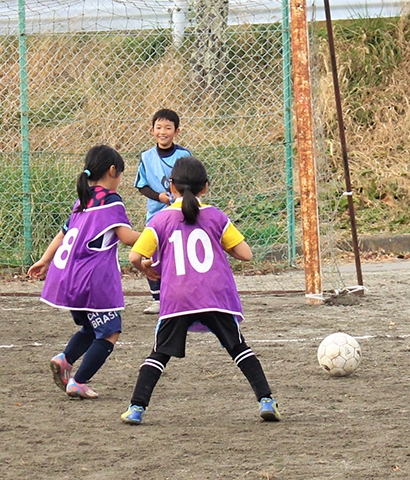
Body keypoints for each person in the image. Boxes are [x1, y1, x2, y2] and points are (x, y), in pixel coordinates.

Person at [121, 156, 281, 424]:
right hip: (215, 295)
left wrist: (147, 268)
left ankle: (137, 408)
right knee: (239, 348)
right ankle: (266, 400)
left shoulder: (160, 221)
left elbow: (134, 257)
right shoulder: (217, 217)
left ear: (171, 187)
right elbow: (246, 254)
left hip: (177, 296)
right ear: (205, 187)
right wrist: (222, 244)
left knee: (159, 353)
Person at [28, 145, 140, 399]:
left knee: (91, 328)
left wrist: (45, 260)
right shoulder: (110, 201)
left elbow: (64, 233)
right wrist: (156, 235)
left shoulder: (82, 198)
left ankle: (65, 359)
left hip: (67, 277)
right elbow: (126, 237)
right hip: (91, 282)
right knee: (110, 331)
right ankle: (79, 381)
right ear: (113, 171)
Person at [134, 108, 192, 314]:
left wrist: (180, 198)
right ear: (152, 131)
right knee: (153, 252)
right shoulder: (146, 157)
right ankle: (157, 298)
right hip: (156, 215)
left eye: (168, 128)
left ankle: (182, 296)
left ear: (176, 131)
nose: (163, 132)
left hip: (181, 213)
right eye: (159, 127)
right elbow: (141, 185)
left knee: (180, 253)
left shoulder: (184, 155)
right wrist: (159, 197)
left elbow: (191, 181)